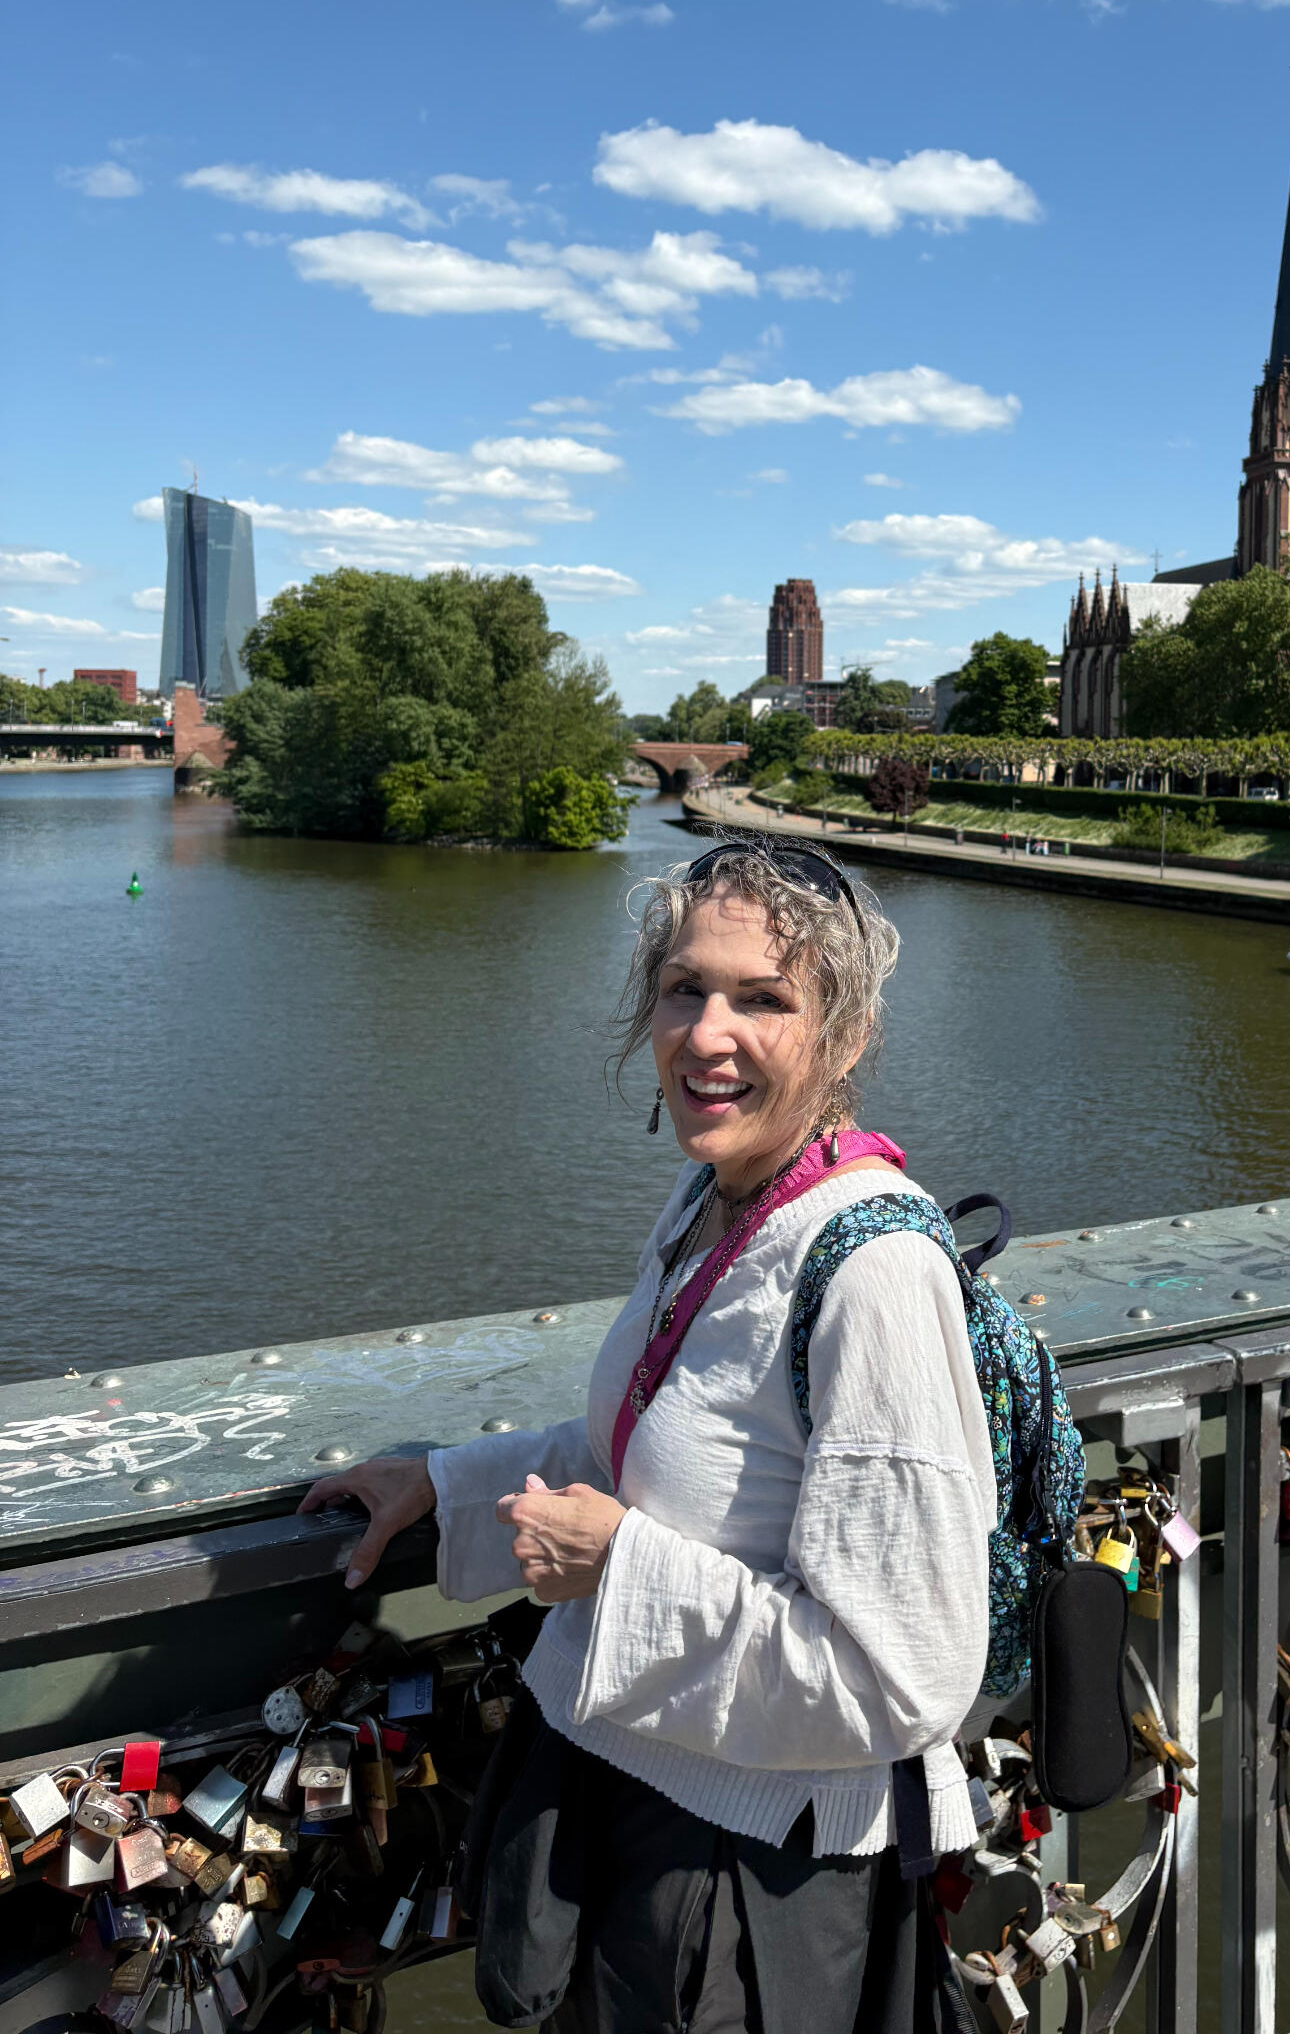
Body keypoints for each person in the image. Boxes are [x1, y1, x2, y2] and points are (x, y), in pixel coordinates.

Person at [299, 838, 994, 2034]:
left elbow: (907, 1678)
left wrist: (621, 1568)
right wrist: (447, 1483)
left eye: (763, 999)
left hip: (750, 1885)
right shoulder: (711, 1198)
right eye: (686, 988)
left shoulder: (875, 1270)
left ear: (846, 1036)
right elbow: (651, 1456)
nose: (706, 1034)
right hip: (636, 1803)